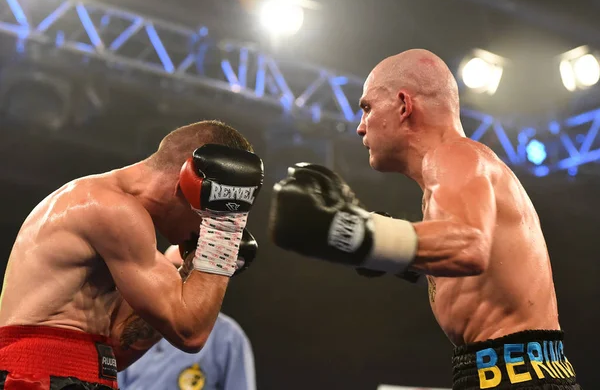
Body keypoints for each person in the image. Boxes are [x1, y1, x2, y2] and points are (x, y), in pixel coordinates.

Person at [268, 49, 581, 389]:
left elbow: (469, 247)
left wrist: (352, 231)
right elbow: (476, 272)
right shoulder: (451, 176)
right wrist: (388, 251)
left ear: (404, 105)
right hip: (502, 369)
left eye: (367, 108)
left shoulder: (456, 154)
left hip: (518, 374)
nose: (360, 126)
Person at [0, 120, 264, 389]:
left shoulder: (121, 230)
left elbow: (120, 347)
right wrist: (223, 229)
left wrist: (188, 273)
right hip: (38, 376)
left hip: (69, 374)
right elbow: (191, 333)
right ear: (188, 184)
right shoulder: (110, 208)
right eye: (209, 213)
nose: (203, 230)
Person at [119, 245, 256, 390]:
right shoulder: (135, 326)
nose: (180, 277)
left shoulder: (228, 336)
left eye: (191, 271)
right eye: (173, 269)